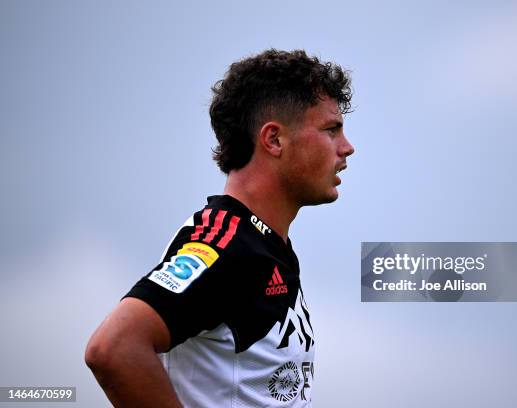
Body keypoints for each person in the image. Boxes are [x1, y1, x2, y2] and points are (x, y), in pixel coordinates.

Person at [85, 49, 354, 407]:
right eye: (331, 129)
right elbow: (114, 348)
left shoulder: (263, 243)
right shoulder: (226, 244)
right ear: (274, 139)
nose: (347, 147)